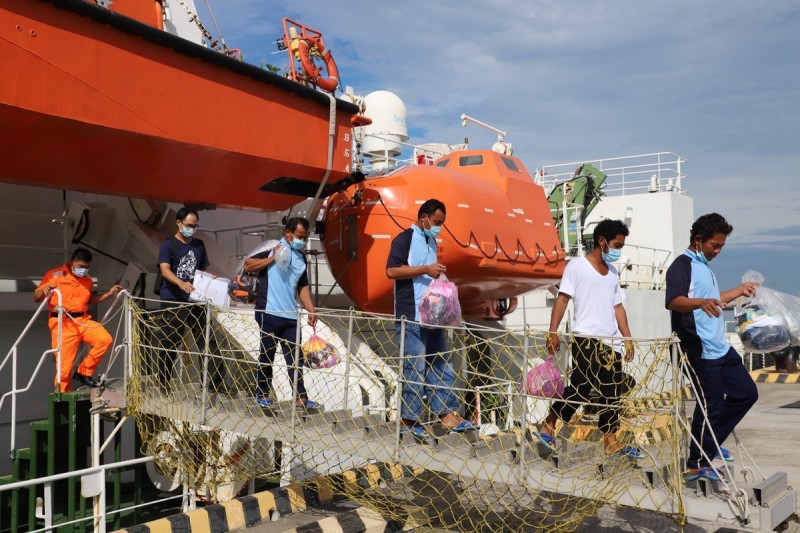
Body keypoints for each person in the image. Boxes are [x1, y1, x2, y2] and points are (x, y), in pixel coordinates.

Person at [665, 213, 758, 482]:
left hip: (719, 348)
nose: (717, 251)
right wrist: (699, 303)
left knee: (746, 393)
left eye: (721, 247)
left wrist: (740, 290)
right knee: (710, 405)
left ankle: (709, 444)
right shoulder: (681, 266)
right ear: (698, 240)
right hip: (698, 350)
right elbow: (674, 301)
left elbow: (713, 300)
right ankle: (696, 463)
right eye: (714, 246)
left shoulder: (704, 267)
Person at [538, 219, 642, 458]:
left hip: (611, 342)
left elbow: (618, 307)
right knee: (582, 387)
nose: (618, 250)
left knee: (612, 392)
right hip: (586, 338)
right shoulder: (577, 267)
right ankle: (549, 424)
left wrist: (627, 338)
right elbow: (562, 299)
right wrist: (552, 332)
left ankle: (610, 442)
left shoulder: (613, 272)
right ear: (601, 241)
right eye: (616, 244)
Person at [386, 199, 475, 439]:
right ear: (424, 217)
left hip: (433, 314)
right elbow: (392, 271)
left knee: (441, 362)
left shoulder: (431, 240)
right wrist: (425, 269)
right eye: (437, 222)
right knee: (414, 367)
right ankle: (408, 420)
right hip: (411, 314)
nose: (439, 228)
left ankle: (446, 415)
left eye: (441, 224)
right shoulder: (404, 239)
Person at [243, 217, 320, 410]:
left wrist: (311, 309)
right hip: (268, 311)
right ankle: (262, 394)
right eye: (300, 236)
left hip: (291, 316)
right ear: (288, 233)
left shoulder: (301, 259)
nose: (302, 240)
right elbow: (248, 265)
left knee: (295, 359)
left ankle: (300, 397)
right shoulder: (272, 246)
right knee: (266, 355)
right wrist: (272, 258)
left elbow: (302, 287)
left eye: (305, 237)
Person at [155, 206, 229, 393]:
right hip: (174, 300)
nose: (192, 229)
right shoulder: (168, 244)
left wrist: (210, 279)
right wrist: (180, 283)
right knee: (170, 341)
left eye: (195, 226)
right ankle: (163, 381)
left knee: (207, 339)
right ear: (178, 223)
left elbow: (202, 270)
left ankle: (216, 382)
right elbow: (165, 270)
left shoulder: (199, 245)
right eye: (189, 225)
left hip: (196, 300)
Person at [35, 248, 123, 392]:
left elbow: (88, 300)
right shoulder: (54, 275)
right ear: (72, 262)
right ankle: (63, 400)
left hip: (82, 320)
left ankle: (83, 372)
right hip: (63, 324)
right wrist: (44, 291)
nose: (84, 270)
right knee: (63, 370)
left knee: (104, 339)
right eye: (81, 267)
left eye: (87, 267)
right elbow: (36, 297)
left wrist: (108, 294)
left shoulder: (87, 281)